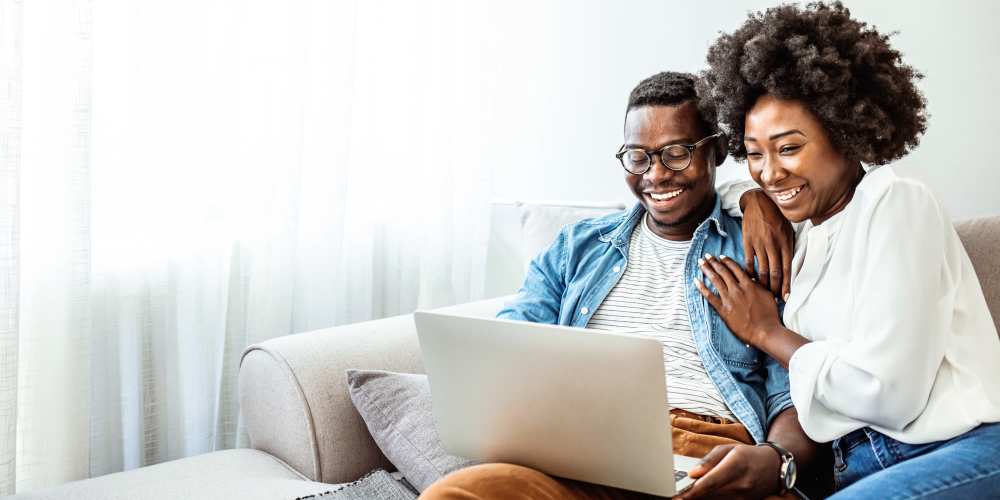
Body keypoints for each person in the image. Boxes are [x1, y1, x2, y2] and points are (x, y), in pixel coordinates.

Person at [420, 72, 821, 500]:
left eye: (677, 153)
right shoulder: (577, 247)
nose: (656, 174)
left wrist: (777, 459)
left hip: (705, 450)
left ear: (718, 149)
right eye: (637, 157)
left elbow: (794, 390)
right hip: (576, 450)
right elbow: (507, 347)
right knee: (455, 494)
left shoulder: (761, 247)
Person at [693, 2, 1000, 498]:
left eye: (789, 148)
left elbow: (889, 395)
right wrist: (753, 200)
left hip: (958, 448)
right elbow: (724, 190)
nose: (770, 172)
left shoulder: (895, 203)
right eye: (753, 153)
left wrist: (767, 332)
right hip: (858, 468)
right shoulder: (807, 229)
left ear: (845, 134)